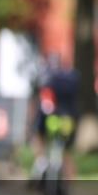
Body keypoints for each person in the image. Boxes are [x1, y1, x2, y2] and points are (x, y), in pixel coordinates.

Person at [30, 54, 80, 182]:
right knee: (66, 153)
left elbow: (44, 105)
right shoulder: (71, 78)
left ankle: (41, 163)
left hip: (50, 120)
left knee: (38, 136)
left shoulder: (45, 78)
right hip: (68, 121)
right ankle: (70, 184)